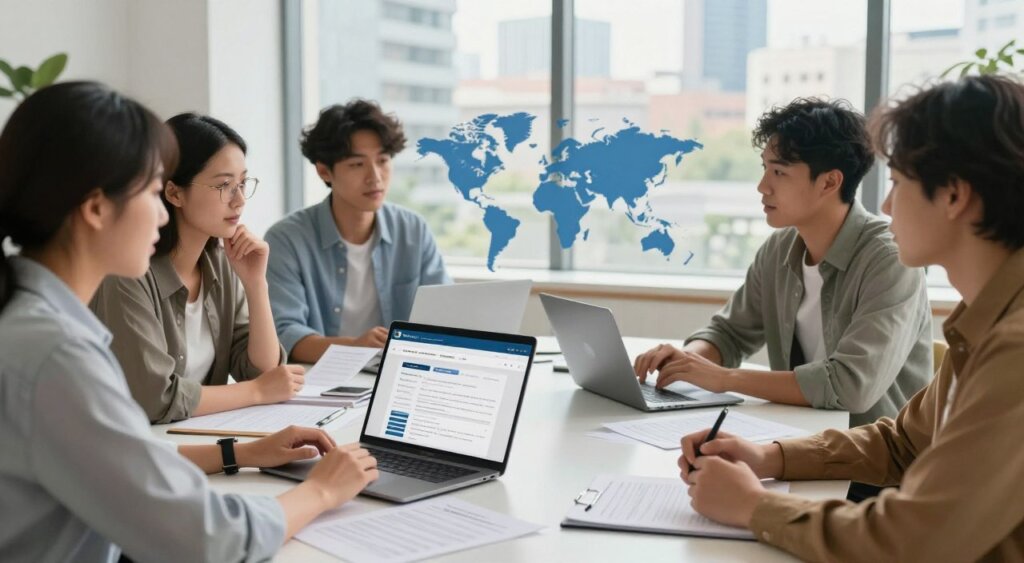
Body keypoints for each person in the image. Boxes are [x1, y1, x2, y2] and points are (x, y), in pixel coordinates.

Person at [0, 81, 377, 562]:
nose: (161, 214)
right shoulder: (55, 354)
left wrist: (240, 453)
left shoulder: (34, 323)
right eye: (154, 192)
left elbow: (122, 464)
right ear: (95, 208)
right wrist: (321, 492)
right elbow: (207, 540)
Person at [678, 75, 1024, 561]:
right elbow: (903, 441)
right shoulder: (985, 322)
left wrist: (756, 507)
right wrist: (768, 456)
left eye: (899, 183)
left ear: (953, 195)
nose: (885, 204)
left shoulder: (1015, 348)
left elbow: (916, 540)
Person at [634, 98, 933, 428]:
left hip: (872, 464)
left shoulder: (890, 259)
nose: (763, 187)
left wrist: (724, 378)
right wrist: (687, 359)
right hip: (801, 441)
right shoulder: (779, 249)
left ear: (829, 182)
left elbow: (851, 386)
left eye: (779, 172)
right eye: (765, 168)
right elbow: (729, 334)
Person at [91, 113, 304, 423]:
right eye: (224, 186)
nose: (240, 200)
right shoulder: (127, 274)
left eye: (243, 183)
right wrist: (255, 392)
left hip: (201, 439)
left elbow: (263, 371)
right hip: (138, 451)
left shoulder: (223, 261)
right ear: (174, 193)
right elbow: (155, 399)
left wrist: (257, 285)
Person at [266, 99, 450, 364]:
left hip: (398, 374)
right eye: (356, 164)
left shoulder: (413, 230)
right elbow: (284, 335)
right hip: (316, 381)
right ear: (324, 171)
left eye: (383, 160)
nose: (375, 177)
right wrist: (354, 348)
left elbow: (445, 314)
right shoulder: (286, 240)